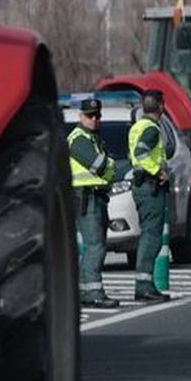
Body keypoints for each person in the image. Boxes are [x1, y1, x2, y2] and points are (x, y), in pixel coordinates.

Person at [69, 97, 120, 309]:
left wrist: (107, 166)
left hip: (97, 195)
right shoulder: (78, 139)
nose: (95, 119)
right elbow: (99, 165)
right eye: (90, 116)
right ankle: (94, 292)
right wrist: (109, 164)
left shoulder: (94, 138)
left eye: (98, 116)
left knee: (95, 245)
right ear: (81, 116)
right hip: (85, 196)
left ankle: (84, 292)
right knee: (95, 246)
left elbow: (106, 168)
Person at [127, 90, 173, 303]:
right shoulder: (151, 129)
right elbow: (141, 153)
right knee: (151, 236)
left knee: (149, 234)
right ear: (161, 106)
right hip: (150, 186)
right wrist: (158, 171)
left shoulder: (137, 126)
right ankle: (144, 286)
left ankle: (145, 284)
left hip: (142, 185)